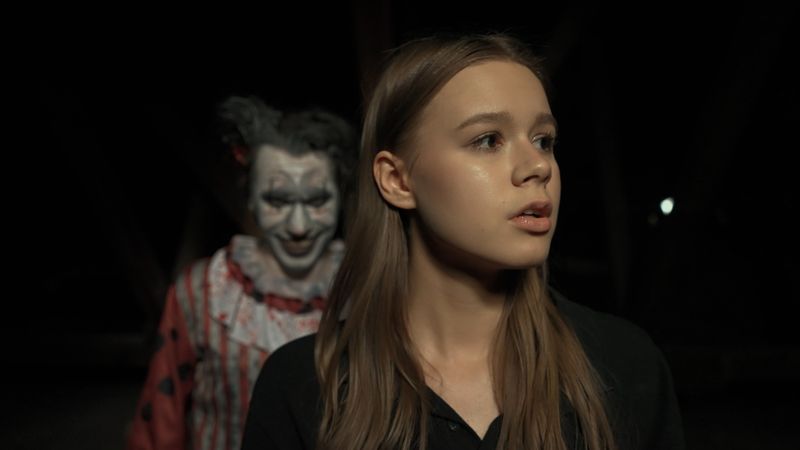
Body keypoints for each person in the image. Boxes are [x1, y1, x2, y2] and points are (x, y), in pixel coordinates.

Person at [241, 33, 685, 450]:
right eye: (488, 140)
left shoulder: (625, 366)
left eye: (544, 140)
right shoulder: (300, 387)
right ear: (397, 180)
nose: (538, 166)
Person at [127, 96, 356, 450]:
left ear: (341, 198)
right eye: (277, 201)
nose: (299, 226)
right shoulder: (204, 291)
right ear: (250, 198)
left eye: (317, 201)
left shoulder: (369, 289)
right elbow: (161, 417)